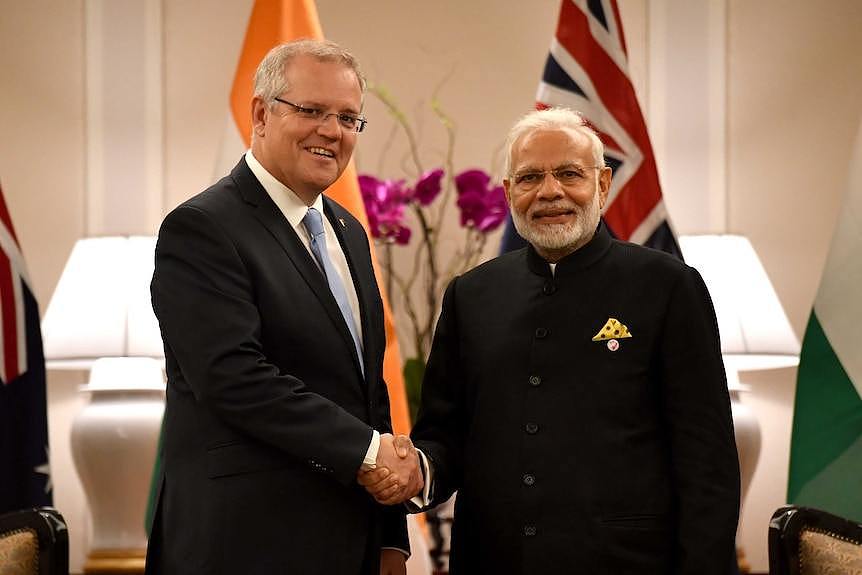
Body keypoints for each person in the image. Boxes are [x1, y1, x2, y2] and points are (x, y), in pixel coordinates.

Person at [366, 107, 740, 573]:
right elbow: (446, 436)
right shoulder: (471, 294)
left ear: (603, 184)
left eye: (569, 174)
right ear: (508, 193)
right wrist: (415, 470)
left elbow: (707, 463)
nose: (549, 192)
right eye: (529, 178)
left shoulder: (667, 286)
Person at [145, 39, 423, 575]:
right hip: (242, 544)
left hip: (349, 542)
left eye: (347, 118)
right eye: (312, 111)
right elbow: (233, 377)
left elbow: (369, 392)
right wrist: (369, 453)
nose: (331, 131)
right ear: (261, 113)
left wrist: (391, 536)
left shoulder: (349, 232)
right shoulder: (202, 228)